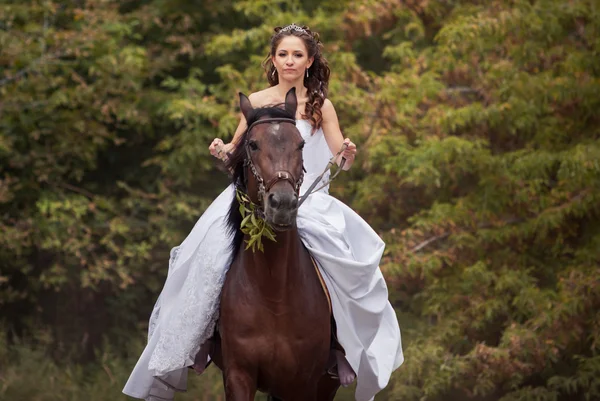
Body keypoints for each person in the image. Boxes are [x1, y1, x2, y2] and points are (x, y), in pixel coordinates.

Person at [123, 23, 403, 401]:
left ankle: (338, 347)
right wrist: (223, 148)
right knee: (203, 255)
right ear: (273, 59)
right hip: (255, 198)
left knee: (343, 261)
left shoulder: (321, 106)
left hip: (307, 198)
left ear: (310, 60)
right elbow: (239, 148)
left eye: (298, 54)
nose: (290, 60)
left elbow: (338, 154)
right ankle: (200, 336)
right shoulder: (255, 101)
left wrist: (347, 154)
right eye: (283, 54)